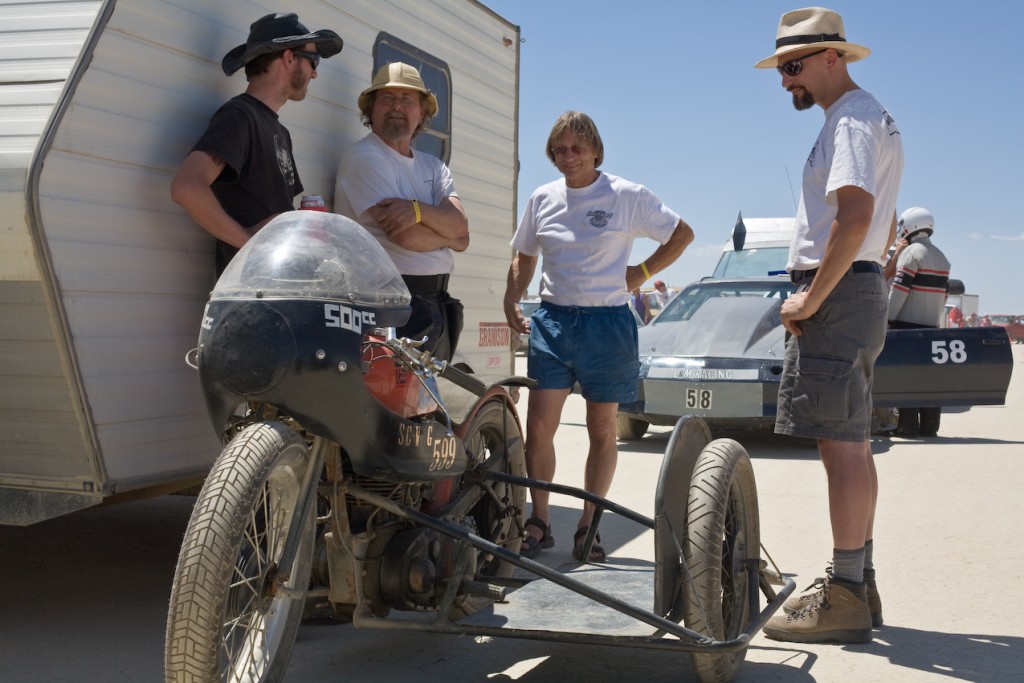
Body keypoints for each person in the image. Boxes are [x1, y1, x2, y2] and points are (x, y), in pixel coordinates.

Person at [754, 8, 903, 643]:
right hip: (856, 289)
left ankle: (843, 596)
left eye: (793, 67)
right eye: (782, 68)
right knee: (854, 445)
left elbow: (856, 216)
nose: (786, 80)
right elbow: (884, 226)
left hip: (838, 294)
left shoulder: (849, 120)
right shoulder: (867, 118)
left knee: (840, 449)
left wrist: (812, 300)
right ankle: (858, 580)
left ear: (830, 58)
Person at [503, 111, 693, 563]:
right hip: (552, 321)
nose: (568, 157)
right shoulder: (542, 198)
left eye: (577, 148)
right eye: (560, 149)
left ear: (595, 150)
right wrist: (512, 298)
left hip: (607, 325)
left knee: (602, 429)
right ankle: (540, 519)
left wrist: (641, 272)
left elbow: (682, 234)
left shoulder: (625, 195)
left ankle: (590, 523)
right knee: (539, 427)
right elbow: (524, 255)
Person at [171, 13, 343, 275]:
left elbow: (269, 212)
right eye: (313, 61)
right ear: (288, 58)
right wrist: (251, 244)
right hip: (247, 294)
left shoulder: (280, 131)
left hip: (276, 287)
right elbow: (186, 188)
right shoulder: (239, 116)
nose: (315, 74)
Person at [335, 62, 468, 361]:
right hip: (388, 306)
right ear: (371, 109)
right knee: (395, 405)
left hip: (434, 305)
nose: (397, 106)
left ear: (422, 113)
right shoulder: (365, 158)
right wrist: (447, 234)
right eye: (387, 98)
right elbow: (407, 238)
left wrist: (417, 211)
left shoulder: (433, 166)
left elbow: (462, 232)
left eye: (407, 100)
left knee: (424, 404)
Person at [888, 207, 951, 438]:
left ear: (909, 226)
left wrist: (887, 318)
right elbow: (944, 295)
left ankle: (907, 426)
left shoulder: (911, 253)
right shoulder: (942, 257)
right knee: (929, 378)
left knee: (906, 377)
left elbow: (899, 291)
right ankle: (930, 426)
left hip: (906, 326)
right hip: (932, 327)